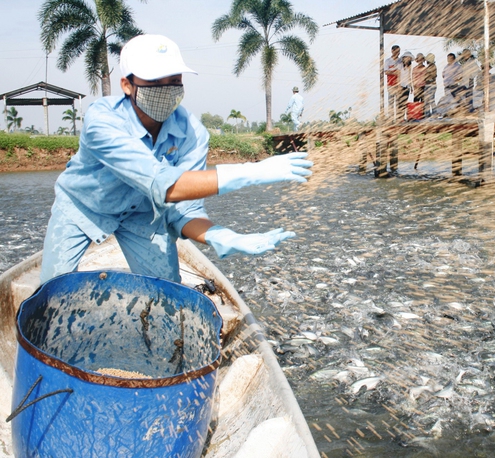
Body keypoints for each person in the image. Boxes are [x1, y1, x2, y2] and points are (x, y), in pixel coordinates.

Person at [39, 34, 313, 284]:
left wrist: (221, 236)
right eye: (155, 82)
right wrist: (250, 172)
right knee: (49, 295)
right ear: (126, 84)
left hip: (142, 214)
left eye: (173, 81)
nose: (166, 89)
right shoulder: (103, 120)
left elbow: (184, 209)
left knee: (167, 292)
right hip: (84, 206)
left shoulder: (192, 133)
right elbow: (164, 184)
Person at [384, 45, 401, 121]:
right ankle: (390, 119)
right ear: (392, 51)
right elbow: (386, 72)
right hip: (390, 84)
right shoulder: (388, 61)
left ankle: (397, 119)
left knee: (398, 102)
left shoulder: (400, 61)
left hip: (398, 84)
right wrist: (395, 72)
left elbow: (401, 72)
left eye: (399, 51)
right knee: (391, 102)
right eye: (396, 51)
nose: (398, 53)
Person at [397, 51, 414, 120]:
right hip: (401, 85)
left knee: (405, 102)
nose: (408, 59)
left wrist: (411, 86)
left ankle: (404, 117)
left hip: (407, 86)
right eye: (407, 57)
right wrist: (398, 86)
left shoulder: (409, 66)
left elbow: (409, 76)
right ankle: (399, 118)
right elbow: (398, 76)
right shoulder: (400, 65)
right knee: (400, 102)